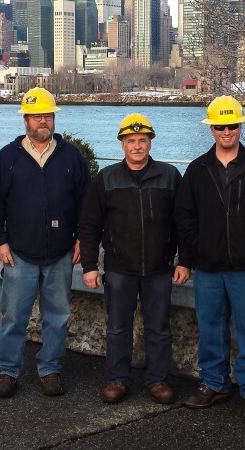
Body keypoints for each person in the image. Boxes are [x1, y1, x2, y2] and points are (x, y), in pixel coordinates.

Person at [174, 95, 245, 421]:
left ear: (240, 127)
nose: (226, 131)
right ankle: (214, 383)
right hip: (208, 267)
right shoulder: (197, 169)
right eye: (220, 126)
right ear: (211, 129)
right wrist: (198, 246)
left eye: (232, 125)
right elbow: (183, 215)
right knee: (210, 328)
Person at [79, 113, 188, 404]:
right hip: (119, 268)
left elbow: (183, 222)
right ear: (122, 144)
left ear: (150, 142)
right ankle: (117, 379)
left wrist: (184, 260)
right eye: (131, 141)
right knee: (117, 327)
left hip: (159, 268)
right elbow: (89, 225)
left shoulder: (170, 176)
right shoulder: (106, 178)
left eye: (142, 140)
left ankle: (158, 381)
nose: (137, 146)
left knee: (159, 328)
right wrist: (89, 265)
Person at [0, 87, 90, 398]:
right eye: (36, 116)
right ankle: (8, 370)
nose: (42, 121)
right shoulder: (7, 157)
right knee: (13, 316)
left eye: (47, 115)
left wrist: (82, 239)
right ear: (25, 120)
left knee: (57, 316)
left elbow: (86, 202)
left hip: (60, 252)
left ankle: (50, 369)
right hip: (18, 252)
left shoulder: (71, 156)